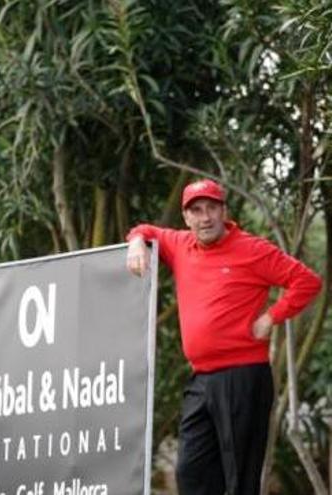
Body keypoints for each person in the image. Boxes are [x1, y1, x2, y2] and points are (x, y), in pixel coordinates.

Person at [125, 178, 322, 495]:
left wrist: (272, 317)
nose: (205, 218)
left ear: (223, 211)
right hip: (201, 379)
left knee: (239, 479)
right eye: (197, 211)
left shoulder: (252, 249)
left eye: (211, 209)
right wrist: (136, 242)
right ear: (187, 218)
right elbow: (146, 230)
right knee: (191, 473)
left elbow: (307, 281)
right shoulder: (180, 245)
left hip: (243, 376)